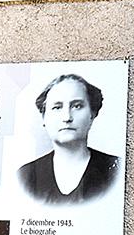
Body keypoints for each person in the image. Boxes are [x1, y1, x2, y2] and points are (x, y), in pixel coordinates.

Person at [17, 74, 120, 205]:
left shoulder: (116, 169)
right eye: (57, 107)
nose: (67, 117)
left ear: (92, 114)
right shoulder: (26, 176)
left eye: (77, 106)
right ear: (44, 118)